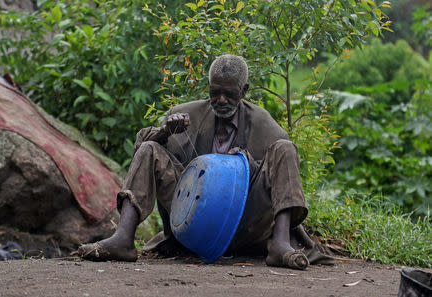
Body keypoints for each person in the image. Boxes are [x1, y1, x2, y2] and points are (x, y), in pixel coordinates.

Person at [78, 54, 334, 269]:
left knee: (285, 148)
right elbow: (140, 152)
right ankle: (123, 238)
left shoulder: (263, 124)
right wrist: (164, 132)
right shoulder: (187, 114)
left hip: (243, 221)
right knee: (148, 148)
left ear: (244, 91)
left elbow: (280, 174)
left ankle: (279, 244)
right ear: (208, 87)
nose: (221, 99)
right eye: (215, 92)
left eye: (229, 93)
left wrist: (245, 163)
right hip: (193, 216)